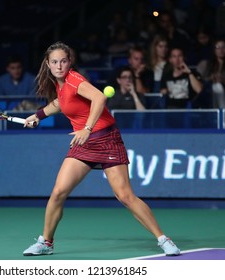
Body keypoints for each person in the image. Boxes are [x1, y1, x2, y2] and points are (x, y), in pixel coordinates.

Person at [21, 41, 180, 257]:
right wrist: (38, 116)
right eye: (55, 62)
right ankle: (46, 242)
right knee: (58, 192)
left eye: (63, 61)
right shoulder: (60, 83)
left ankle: (164, 239)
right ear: (48, 64)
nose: (59, 66)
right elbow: (61, 103)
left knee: (124, 196)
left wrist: (87, 128)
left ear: (70, 62)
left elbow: (100, 97)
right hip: (83, 143)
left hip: (106, 139)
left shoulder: (75, 78)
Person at [196, 38, 225, 108]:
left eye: (223, 47)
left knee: (218, 86)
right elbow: (199, 78)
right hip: (208, 92)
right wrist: (210, 78)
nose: (221, 50)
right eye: (218, 47)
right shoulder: (206, 64)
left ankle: (221, 112)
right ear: (214, 50)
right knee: (216, 86)